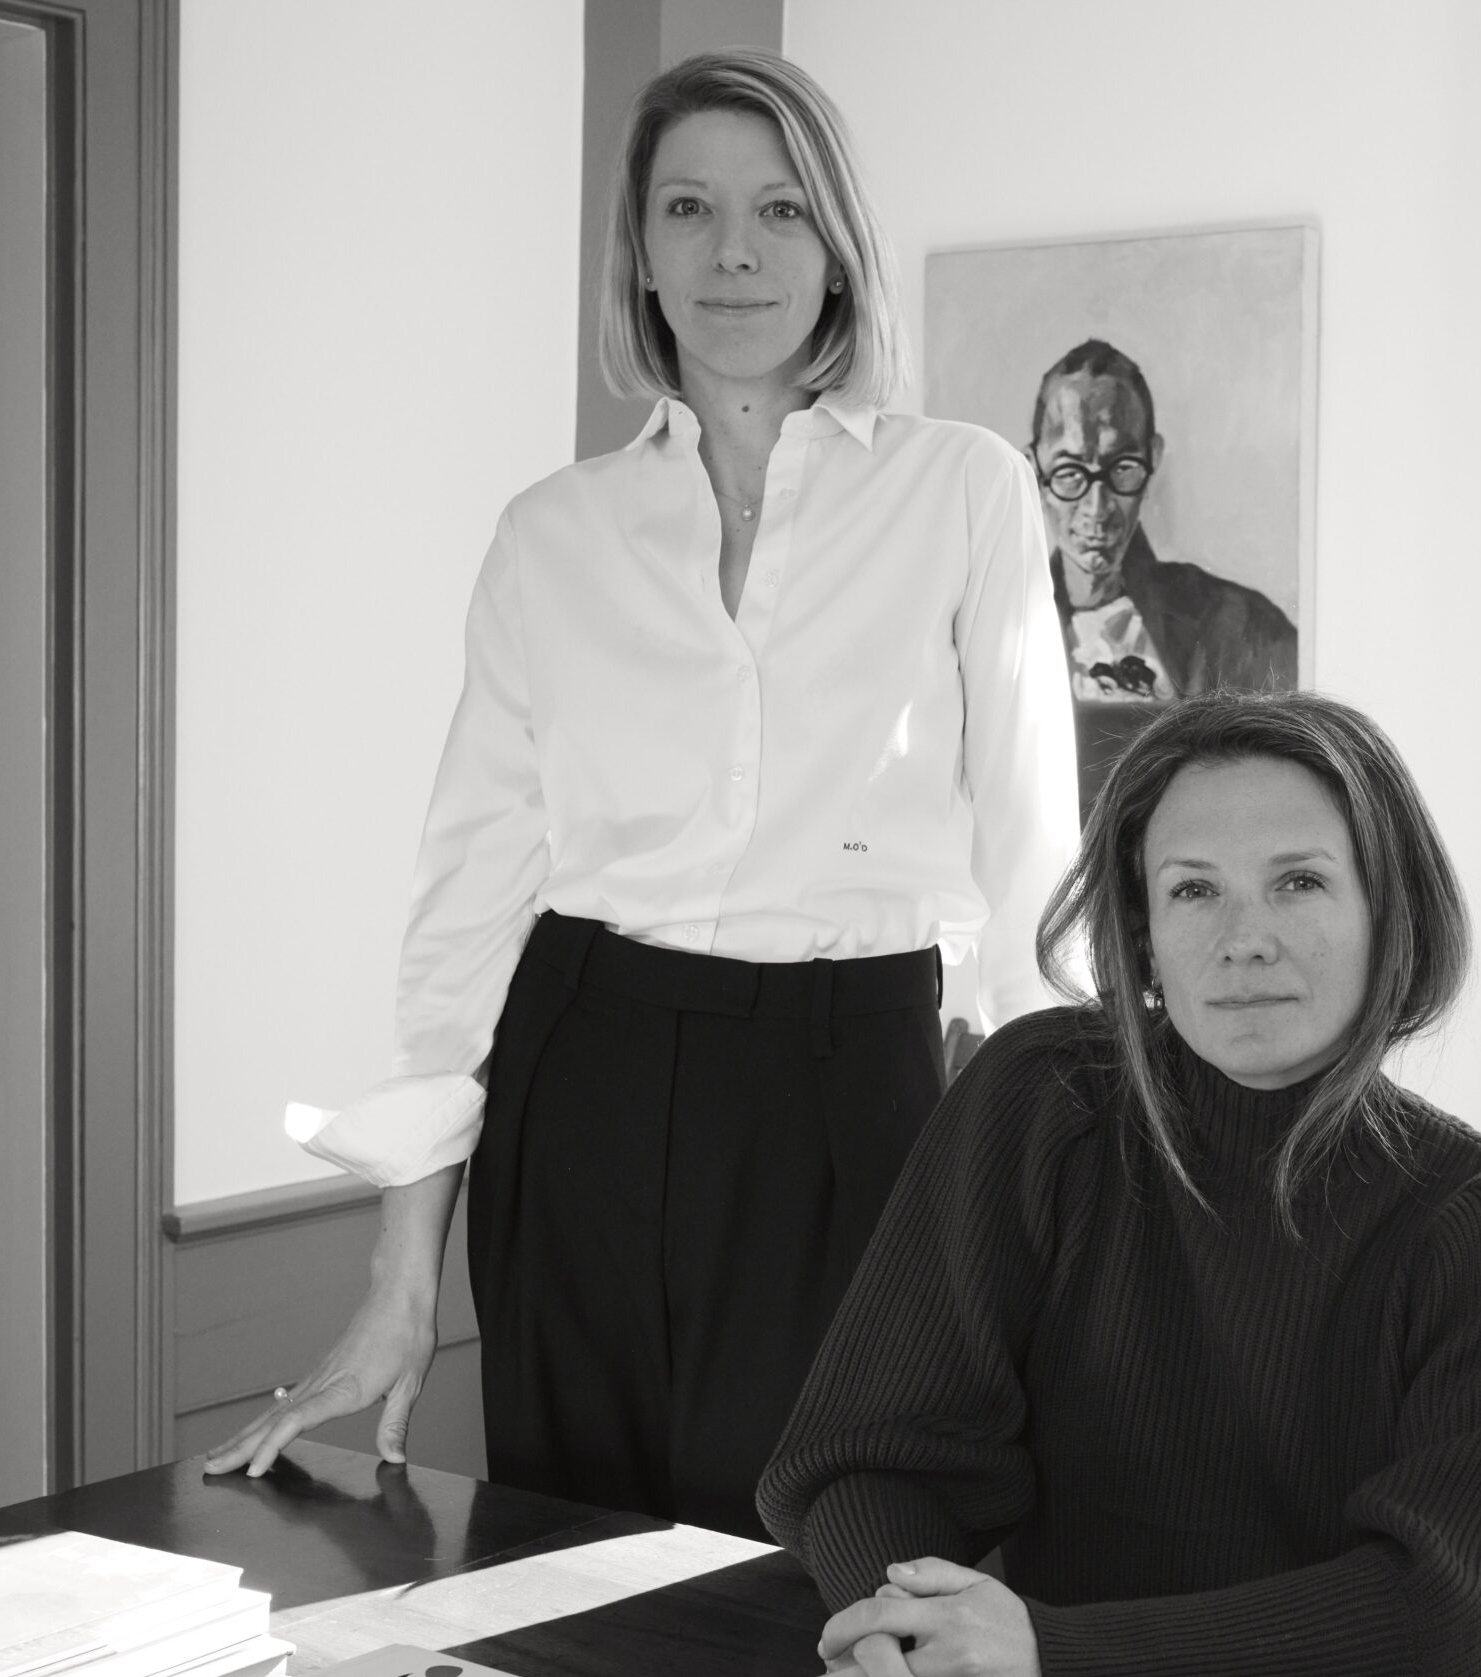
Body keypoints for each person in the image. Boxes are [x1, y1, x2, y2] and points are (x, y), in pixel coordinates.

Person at [203, 49, 1079, 1543]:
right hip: (584, 1063)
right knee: (573, 1544)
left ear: (837, 246)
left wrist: (1056, 1212)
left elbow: (1035, 864)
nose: (735, 249)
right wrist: (399, 1282)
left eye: (781, 209)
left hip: (858, 1066)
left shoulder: (968, 489)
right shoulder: (551, 534)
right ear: (644, 252)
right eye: (690, 207)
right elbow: (468, 905)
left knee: (831, 1545)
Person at [761, 692, 1481, 1677]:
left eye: (1298, 882)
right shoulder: (1042, 1104)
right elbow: (863, 1458)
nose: (1244, 940)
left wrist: (1054, 1664)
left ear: (1390, 914)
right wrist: (915, 1652)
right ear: (1143, 932)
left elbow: (1441, 1629)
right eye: (1194, 891)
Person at [1030, 339, 1298, 809]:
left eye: (1123, 469)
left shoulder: (1240, 625)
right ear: (1034, 466)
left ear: (1153, 456)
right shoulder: (1002, 628)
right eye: (1070, 473)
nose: (1097, 510)